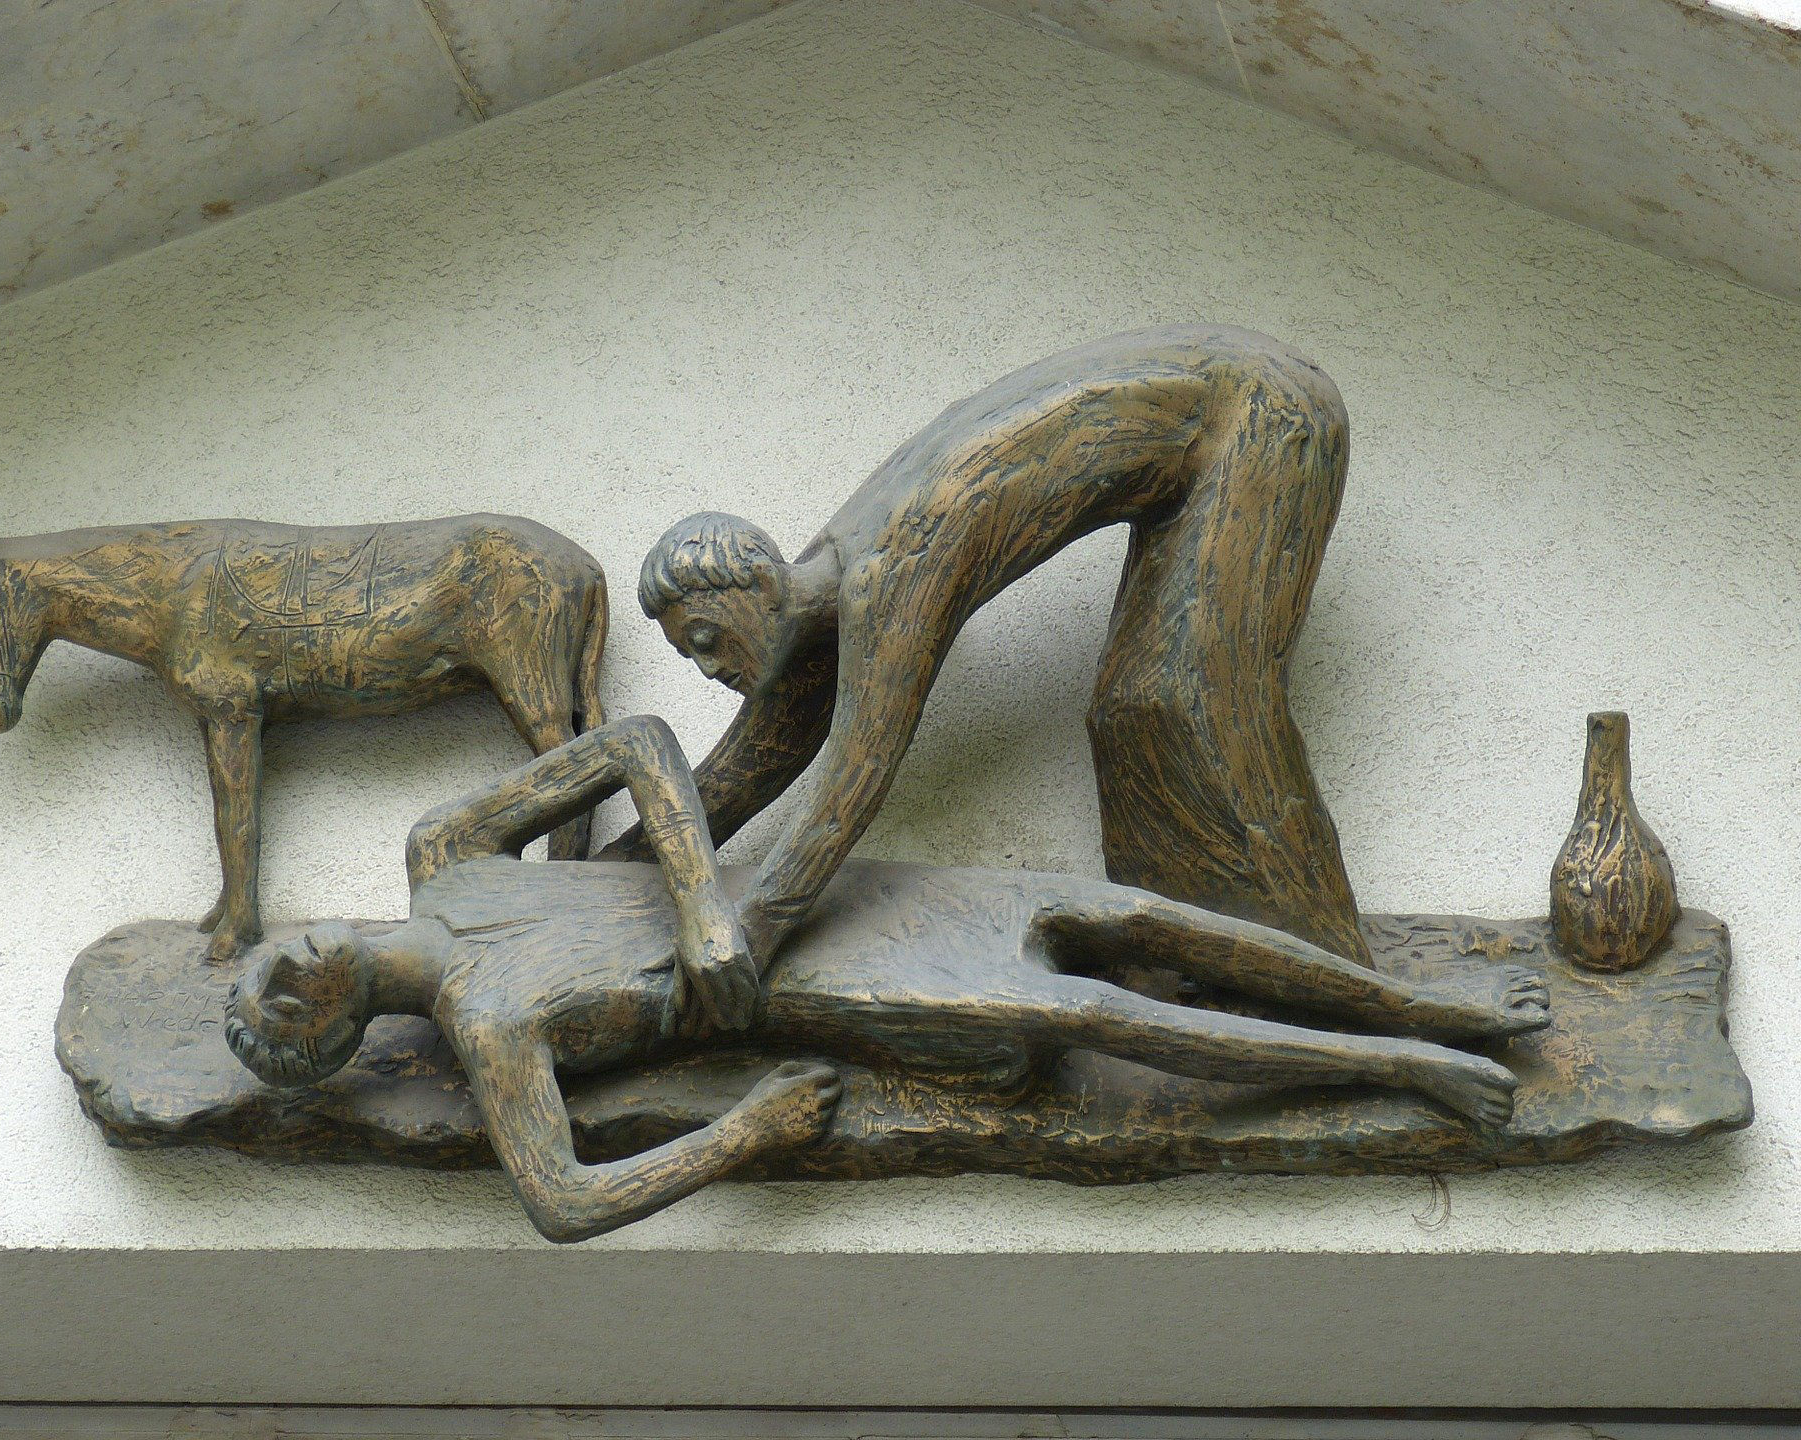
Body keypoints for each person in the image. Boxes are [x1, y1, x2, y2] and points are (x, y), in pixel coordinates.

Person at [225, 716, 1547, 1243]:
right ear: (332, 1039)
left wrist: (702, 908)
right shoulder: (490, 1025)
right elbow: (562, 1199)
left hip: (832, 897)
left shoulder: (447, 853)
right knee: (1098, 1015)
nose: (284, 965)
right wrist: (747, 1134)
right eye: (282, 1006)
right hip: (837, 993)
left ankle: (1423, 1005)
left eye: (262, 961)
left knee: (1132, 914)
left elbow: (636, 746)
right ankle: (1407, 1067)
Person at [609, 326, 1372, 1019]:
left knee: (1178, 699)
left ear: (757, 584)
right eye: (689, 654)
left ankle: (1331, 974)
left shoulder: (886, 571)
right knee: (1131, 708)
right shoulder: (820, 594)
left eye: (707, 638)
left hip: (1263, 413)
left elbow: (852, 785)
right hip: (1200, 433)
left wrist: (747, 936)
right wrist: (602, 873)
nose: (707, 667)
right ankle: (1198, 967)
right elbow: (754, 761)